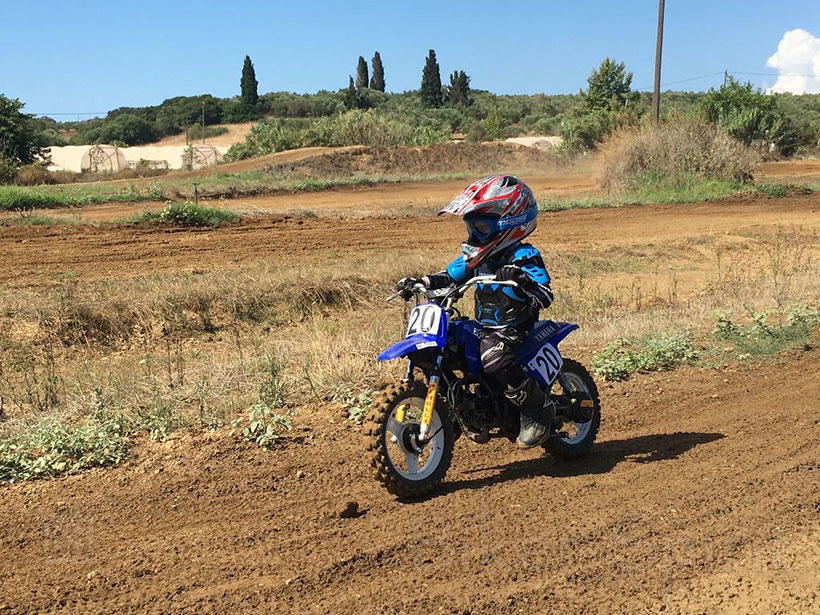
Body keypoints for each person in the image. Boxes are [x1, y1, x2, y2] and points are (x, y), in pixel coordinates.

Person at [396, 175, 554, 448]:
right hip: (484, 326)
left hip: (513, 329)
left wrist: (521, 281)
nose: (474, 236)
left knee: (495, 359)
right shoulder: (474, 258)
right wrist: (422, 282)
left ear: (511, 223)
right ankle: (452, 407)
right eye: (471, 228)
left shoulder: (524, 256)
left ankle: (537, 411)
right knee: (444, 346)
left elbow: (545, 294)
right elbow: (449, 276)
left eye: (482, 228)